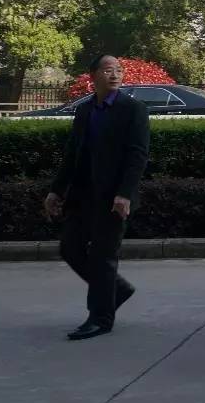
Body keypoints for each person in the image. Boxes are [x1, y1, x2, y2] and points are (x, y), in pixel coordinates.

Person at [44, 55, 150, 341]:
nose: (114, 75)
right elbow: (72, 154)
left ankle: (100, 318)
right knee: (70, 248)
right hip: (83, 195)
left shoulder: (133, 109)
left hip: (114, 198)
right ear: (93, 75)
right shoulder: (85, 110)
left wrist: (125, 194)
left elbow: (137, 155)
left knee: (103, 258)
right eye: (107, 70)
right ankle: (116, 290)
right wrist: (56, 190)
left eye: (118, 70)